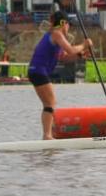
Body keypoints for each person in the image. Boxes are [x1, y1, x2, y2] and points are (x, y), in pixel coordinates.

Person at [26, 11, 92, 140]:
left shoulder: (56, 36)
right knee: (50, 103)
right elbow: (71, 49)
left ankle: (49, 134)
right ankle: (47, 136)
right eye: (68, 25)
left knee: (49, 103)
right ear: (63, 23)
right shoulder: (56, 33)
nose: (69, 28)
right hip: (38, 71)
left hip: (38, 71)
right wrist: (84, 44)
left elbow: (64, 57)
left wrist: (79, 55)